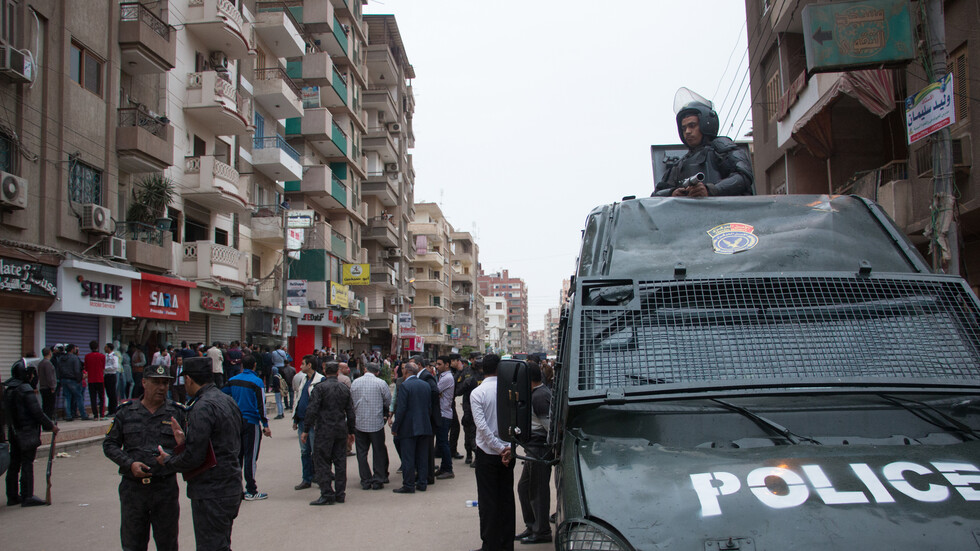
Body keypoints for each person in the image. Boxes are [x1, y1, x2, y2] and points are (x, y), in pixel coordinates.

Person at [156, 357, 243, 551]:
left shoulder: (202, 406)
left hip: (211, 491)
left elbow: (195, 455)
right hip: (230, 485)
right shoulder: (226, 400)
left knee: (212, 546)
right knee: (221, 544)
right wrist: (183, 443)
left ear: (188, 379)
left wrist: (169, 461)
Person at [103, 363, 186, 551]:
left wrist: (176, 451)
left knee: (168, 544)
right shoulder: (126, 412)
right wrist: (129, 463)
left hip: (164, 489)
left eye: (165, 383)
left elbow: (190, 450)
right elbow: (109, 444)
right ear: (144, 383)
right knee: (133, 544)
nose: (162, 387)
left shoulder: (177, 413)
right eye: (156, 382)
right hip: (133, 491)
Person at [653, 90, 754, 198]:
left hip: (726, 212)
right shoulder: (680, 165)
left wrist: (711, 190)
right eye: (684, 128)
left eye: (692, 125)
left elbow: (743, 176)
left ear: (706, 123)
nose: (687, 131)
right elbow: (656, 196)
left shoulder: (721, 148)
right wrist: (672, 193)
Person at [469, 354, 515, 551]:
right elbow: (517, 423)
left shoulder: (477, 393)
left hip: (487, 453)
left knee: (488, 501)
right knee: (506, 499)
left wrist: (498, 448)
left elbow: (482, 427)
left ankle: (490, 544)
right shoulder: (510, 392)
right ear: (500, 369)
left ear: (482, 369)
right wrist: (508, 448)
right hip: (508, 453)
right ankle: (506, 544)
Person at [3, 360, 58, 507]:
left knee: (14, 463)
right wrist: (51, 426)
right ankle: (27, 496)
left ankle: (12, 496)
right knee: (27, 463)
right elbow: (37, 413)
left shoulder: (9, 390)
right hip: (27, 432)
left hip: (14, 432)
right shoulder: (25, 390)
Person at [302, 361, 355, 506]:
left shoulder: (319, 388)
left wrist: (306, 429)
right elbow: (350, 411)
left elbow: (311, 409)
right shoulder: (344, 389)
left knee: (322, 462)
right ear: (337, 372)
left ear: (325, 372)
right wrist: (351, 431)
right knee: (340, 462)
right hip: (340, 429)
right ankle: (340, 493)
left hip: (324, 429)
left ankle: (326, 493)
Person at [222, 354, 271, 501]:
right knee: (251, 457)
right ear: (255, 365)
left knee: (237, 456)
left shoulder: (232, 380)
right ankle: (251, 490)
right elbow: (261, 404)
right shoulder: (257, 382)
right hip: (251, 422)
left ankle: (236, 489)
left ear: (242, 365)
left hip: (236, 422)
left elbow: (221, 395)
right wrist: (266, 424)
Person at [515, 364, 554, 545]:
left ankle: (542, 531)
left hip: (539, 449)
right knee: (524, 489)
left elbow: (551, 429)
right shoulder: (536, 393)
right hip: (532, 449)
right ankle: (532, 525)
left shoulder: (540, 396)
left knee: (537, 491)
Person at [390, 361, 432, 494]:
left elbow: (401, 409)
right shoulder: (425, 385)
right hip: (424, 425)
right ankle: (422, 483)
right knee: (422, 456)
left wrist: (395, 427)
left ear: (406, 372)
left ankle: (408, 484)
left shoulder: (405, 385)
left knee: (408, 457)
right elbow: (429, 406)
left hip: (409, 427)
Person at [350, 362, 391, 490]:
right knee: (378, 451)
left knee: (361, 453)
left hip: (359, 422)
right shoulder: (381, 383)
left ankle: (365, 480)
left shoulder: (355, 383)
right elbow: (388, 401)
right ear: (377, 372)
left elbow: (350, 401)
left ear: (365, 369)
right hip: (376, 423)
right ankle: (378, 479)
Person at [291, 355, 323, 491]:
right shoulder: (303, 379)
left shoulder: (320, 380)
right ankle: (306, 478)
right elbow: (297, 399)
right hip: (302, 420)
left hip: (314, 422)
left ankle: (321, 477)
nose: (300, 366)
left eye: (303, 364)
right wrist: (295, 418)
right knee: (305, 451)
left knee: (317, 451)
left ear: (309, 365)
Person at [457, 358, 482, 466]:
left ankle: (478, 457)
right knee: (468, 432)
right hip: (468, 407)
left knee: (475, 434)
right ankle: (469, 455)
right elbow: (458, 391)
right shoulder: (467, 373)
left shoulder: (486, 376)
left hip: (479, 409)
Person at [433, 355, 455, 479]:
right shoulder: (442, 376)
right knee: (441, 442)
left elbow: (435, 391)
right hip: (442, 413)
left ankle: (448, 469)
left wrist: (438, 393)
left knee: (443, 442)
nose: (437, 366)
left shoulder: (447, 378)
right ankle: (444, 467)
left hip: (444, 414)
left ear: (447, 365)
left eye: (439, 364)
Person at [58, 344, 87, 421]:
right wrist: (79, 379)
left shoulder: (61, 358)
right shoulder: (74, 358)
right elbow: (77, 370)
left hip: (64, 379)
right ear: (72, 349)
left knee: (67, 397)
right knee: (79, 397)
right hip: (73, 379)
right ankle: (83, 414)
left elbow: (59, 369)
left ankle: (68, 415)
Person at [85, 340, 107, 420]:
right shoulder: (102, 356)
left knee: (93, 398)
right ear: (97, 347)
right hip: (100, 379)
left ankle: (95, 415)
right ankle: (102, 415)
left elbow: (86, 368)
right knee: (101, 398)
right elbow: (103, 367)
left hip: (91, 380)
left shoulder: (87, 356)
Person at [36, 348, 57, 421]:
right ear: (49, 353)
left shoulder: (41, 363)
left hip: (43, 387)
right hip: (48, 388)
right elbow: (49, 376)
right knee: (49, 406)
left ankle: (46, 421)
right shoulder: (47, 363)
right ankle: (48, 421)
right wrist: (52, 387)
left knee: (45, 405)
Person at [104, 343, 120, 415]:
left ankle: (114, 410)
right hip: (107, 375)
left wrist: (105, 368)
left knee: (112, 393)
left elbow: (115, 366)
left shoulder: (114, 356)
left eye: (106, 347)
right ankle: (110, 410)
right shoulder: (106, 356)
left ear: (109, 348)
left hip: (112, 375)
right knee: (109, 393)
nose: (105, 348)